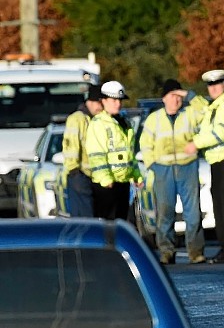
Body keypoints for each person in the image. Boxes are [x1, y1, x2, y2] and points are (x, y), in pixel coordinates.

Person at [140, 79, 206, 265]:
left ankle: (195, 252)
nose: (176, 100)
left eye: (179, 96)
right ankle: (166, 252)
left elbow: (205, 110)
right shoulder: (154, 119)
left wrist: (188, 94)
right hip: (163, 169)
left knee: (192, 212)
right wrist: (153, 165)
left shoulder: (189, 113)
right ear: (164, 98)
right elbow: (145, 144)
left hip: (187, 167)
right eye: (172, 96)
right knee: (165, 212)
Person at [186, 69, 224, 264]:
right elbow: (202, 110)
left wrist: (195, 143)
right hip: (219, 160)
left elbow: (220, 133)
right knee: (221, 206)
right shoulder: (217, 105)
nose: (212, 88)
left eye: (216, 84)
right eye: (210, 85)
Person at [84, 80, 139, 220]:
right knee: (108, 225)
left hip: (123, 182)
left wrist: (136, 174)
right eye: (113, 100)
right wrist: (105, 178)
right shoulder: (98, 124)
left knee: (122, 224)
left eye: (120, 100)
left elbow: (129, 154)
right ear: (104, 101)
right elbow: (96, 155)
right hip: (106, 185)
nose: (118, 104)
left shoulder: (124, 123)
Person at [61, 84, 103, 218]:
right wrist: (75, 172)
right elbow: (71, 148)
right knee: (85, 221)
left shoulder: (98, 119)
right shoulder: (77, 119)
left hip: (95, 178)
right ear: (89, 101)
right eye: (99, 102)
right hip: (80, 177)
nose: (101, 106)